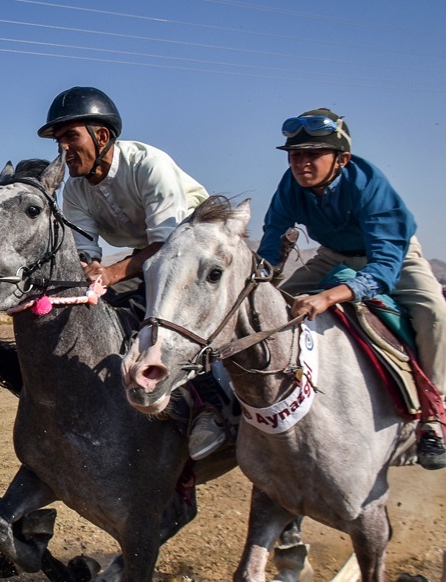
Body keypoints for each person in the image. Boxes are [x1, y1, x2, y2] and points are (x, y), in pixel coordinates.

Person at [38, 86, 229, 460]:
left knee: (168, 315)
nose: (63, 148)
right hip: (151, 253)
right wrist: (91, 269)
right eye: (58, 140)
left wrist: (109, 274)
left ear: (102, 136)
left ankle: (212, 408)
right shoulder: (75, 189)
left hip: (194, 247)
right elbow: (84, 250)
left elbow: (167, 245)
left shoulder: (149, 165)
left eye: (70, 137)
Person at [257, 108, 446, 470]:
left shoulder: (370, 185)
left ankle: (433, 418)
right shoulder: (289, 185)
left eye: (312, 155)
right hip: (333, 255)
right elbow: (271, 241)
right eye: (296, 155)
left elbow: (383, 270)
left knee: (434, 313)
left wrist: (327, 297)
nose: (301, 164)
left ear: (342, 159)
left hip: (394, 256)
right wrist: (261, 281)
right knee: (270, 306)